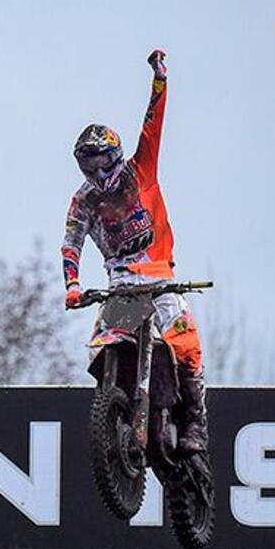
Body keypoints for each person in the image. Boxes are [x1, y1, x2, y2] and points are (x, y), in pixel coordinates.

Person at [61, 49, 207, 454]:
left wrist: (160, 80)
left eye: (104, 161)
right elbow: (71, 243)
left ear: (117, 155)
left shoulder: (140, 170)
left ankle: (195, 420)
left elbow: (152, 125)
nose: (99, 173)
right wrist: (73, 285)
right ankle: (118, 405)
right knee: (105, 342)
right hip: (122, 283)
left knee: (185, 341)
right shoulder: (84, 201)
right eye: (90, 167)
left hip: (160, 276)